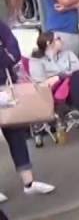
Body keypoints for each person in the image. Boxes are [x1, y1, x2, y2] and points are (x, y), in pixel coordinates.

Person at [0, 20, 56, 202]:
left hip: (5, 87)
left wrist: (3, 56)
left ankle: (29, 183)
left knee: (16, 133)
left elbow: (13, 48)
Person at [28, 31, 79, 143]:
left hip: (72, 89)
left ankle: (77, 109)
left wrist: (60, 76)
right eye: (58, 39)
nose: (62, 41)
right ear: (48, 43)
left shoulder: (68, 54)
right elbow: (39, 83)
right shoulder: (37, 60)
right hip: (52, 93)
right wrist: (60, 77)